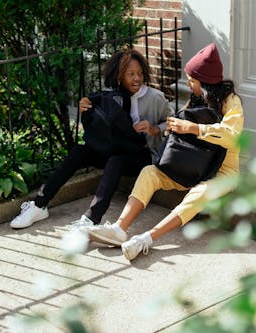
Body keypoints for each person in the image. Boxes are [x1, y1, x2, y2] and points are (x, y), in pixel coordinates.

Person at [85, 43, 244, 261]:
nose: (188, 84)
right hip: (192, 165)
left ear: (204, 82)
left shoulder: (231, 102)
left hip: (223, 174)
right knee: (150, 173)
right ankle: (120, 229)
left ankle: (146, 239)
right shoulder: (197, 99)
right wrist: (172, 127)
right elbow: (183, 133)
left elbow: (231, 135)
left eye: (192, 80)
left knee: (198, 194)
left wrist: (193, 128)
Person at [10, 49, 173, 229]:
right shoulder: (111, 97)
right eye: (131, 74)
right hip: (114, 150)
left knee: (116, 159)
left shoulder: (154, 97)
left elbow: (174, 121)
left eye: (140, 74)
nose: (137, 79)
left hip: (141, 157)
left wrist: (154, 128)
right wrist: (84, 108)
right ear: (119, 76)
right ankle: (39, 204)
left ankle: (91, 219)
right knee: (79, 151)